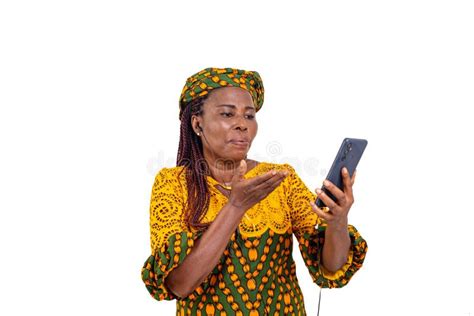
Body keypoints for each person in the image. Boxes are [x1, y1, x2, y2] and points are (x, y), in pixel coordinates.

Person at [141, 67, 368, 315]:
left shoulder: (281, 179)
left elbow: (331, 266)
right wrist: (236, 207)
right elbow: (179, 285)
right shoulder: (173, 184)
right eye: (228, 114)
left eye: (249, 116)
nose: (241, 125)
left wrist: (337, 221)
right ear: (197, 123)